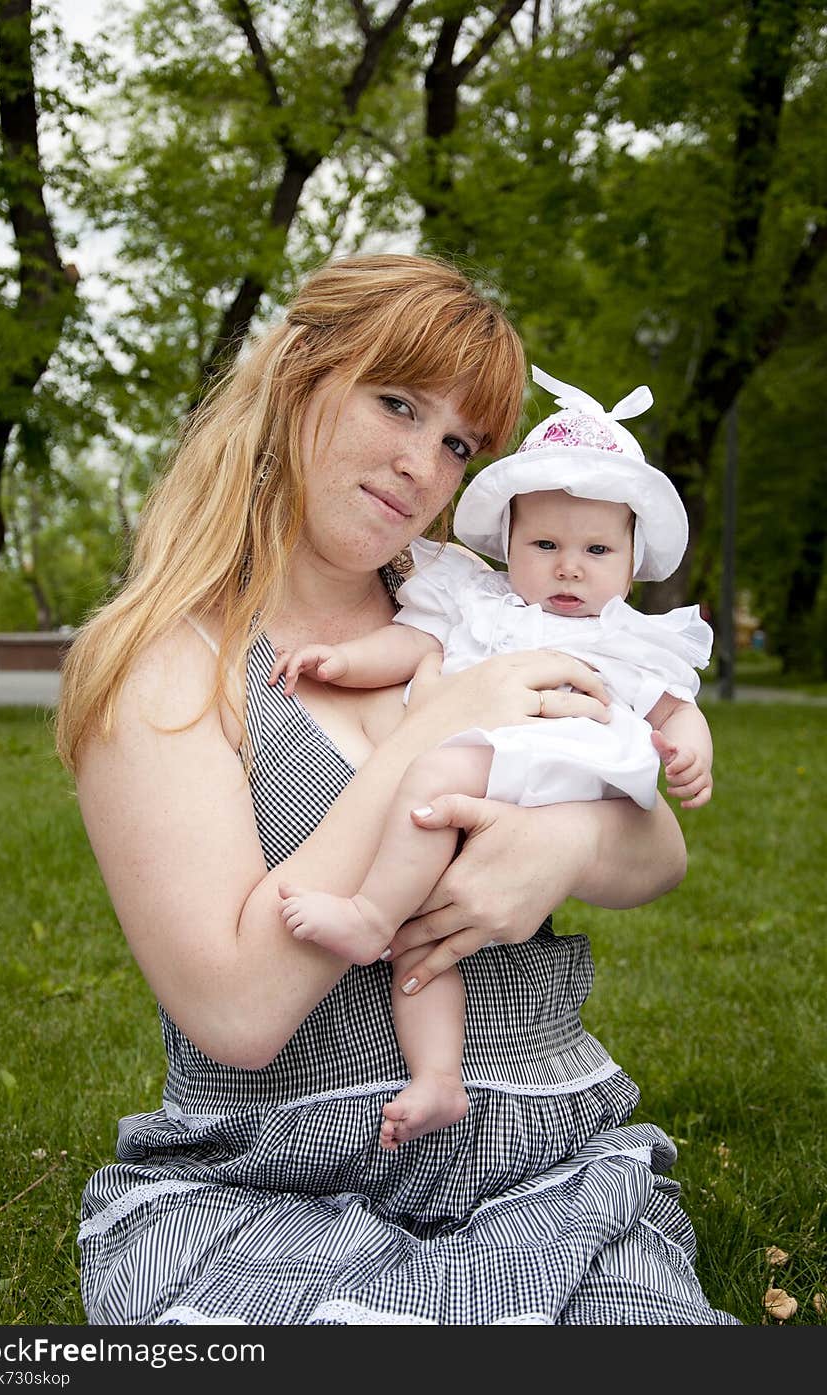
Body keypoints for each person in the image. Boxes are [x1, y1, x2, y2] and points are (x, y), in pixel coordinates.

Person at [56, 252, 739, 1325]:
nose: (423, 464)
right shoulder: (164, 663)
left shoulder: (477, 606)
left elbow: (657, 850)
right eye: (397, 404)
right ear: (295, 378)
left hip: (536, 1164)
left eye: (458, 442)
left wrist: (560, 848)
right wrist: (439, 720)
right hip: (270, 1183)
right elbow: (235, 1010)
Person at [272, 365, 714, 1151]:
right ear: (508, 543)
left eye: (596, 548)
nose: (570, 566)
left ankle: (368, 914)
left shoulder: (624, 638)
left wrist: (687, 751)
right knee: (428, 936)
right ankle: (438, 1080)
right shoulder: (483, 606)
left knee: (432, 782)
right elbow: (412, 643)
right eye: (545, 543)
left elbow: (676, 706)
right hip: (496, 767)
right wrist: (343, 662)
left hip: (542, 775)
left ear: (630, 559)